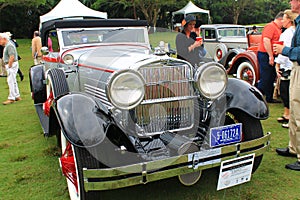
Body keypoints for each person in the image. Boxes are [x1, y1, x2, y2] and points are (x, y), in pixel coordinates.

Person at [273, 0, 300, 171]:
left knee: (298, 111)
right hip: (296, 67)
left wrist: (285, 51)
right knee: (294, 108)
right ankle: (293, 148)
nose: (290, 1)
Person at [275, 10, 298, 129]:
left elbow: (284, 51)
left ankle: (290, 117)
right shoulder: (294, 31)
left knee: (287, 92)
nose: (282, 21)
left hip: (289, 66)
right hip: (292, 65)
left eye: (284, 18)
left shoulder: (287, 34)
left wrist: (277, 64)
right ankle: (287, 114)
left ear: (289, 19)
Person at [257, 11, 284, 103]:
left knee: (271, 76)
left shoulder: (277, 29)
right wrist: (270, 56)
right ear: (280, 19)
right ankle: (257, 96)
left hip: (270, 54)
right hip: (265, 54)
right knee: (265, 77)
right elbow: (266, 41)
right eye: (283, 21)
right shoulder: (270, 27)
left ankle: (269, 97)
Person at [0, 32, 21, 105]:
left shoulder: (9, 45)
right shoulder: (8, 45)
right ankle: (17, 95)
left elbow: (12, 56)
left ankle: (11, 98)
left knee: (10, 81)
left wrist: (9, 65)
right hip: (12, 64)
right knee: (13, 80)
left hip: (11, 65)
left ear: (4, 39)